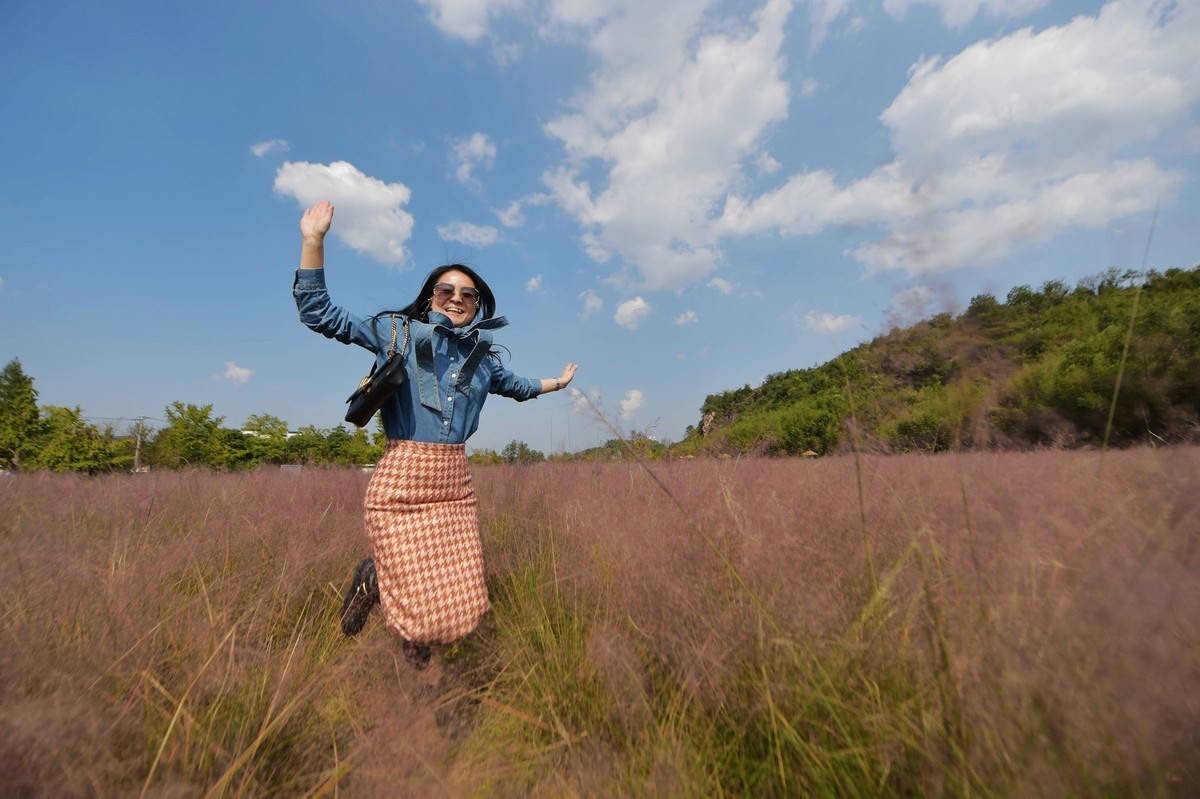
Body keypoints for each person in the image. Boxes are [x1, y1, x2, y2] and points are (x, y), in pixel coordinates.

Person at [293, 200, 577, 666]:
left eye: (468, 294)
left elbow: (520, 387)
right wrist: (314, 240)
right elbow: (320, 314)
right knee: (413, 581)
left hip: (454, 487)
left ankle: (401, 622)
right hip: (402, 482)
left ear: (477, 304)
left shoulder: (483, 361)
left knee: (458, 592)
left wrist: (558, 384)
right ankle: (391, 616)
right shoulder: (398, 333)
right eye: (446, 290)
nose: (456, 298)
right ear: (430, 298)